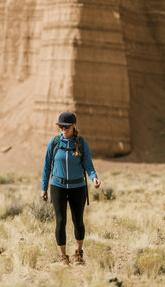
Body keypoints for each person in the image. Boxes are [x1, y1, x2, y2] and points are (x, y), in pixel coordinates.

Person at [40, 112, 101, 265]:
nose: (63, 129)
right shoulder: (54, 143)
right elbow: (47, 167)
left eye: (66, 126)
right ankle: (63, 256)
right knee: (60, 221)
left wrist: (94, 177)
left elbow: (88, 164)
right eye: (61, 126)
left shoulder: (81, 143)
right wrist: (44, 188)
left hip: (78, 187)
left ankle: (79, 253)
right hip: (57, 186)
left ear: (73, 126)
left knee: (78, 221)